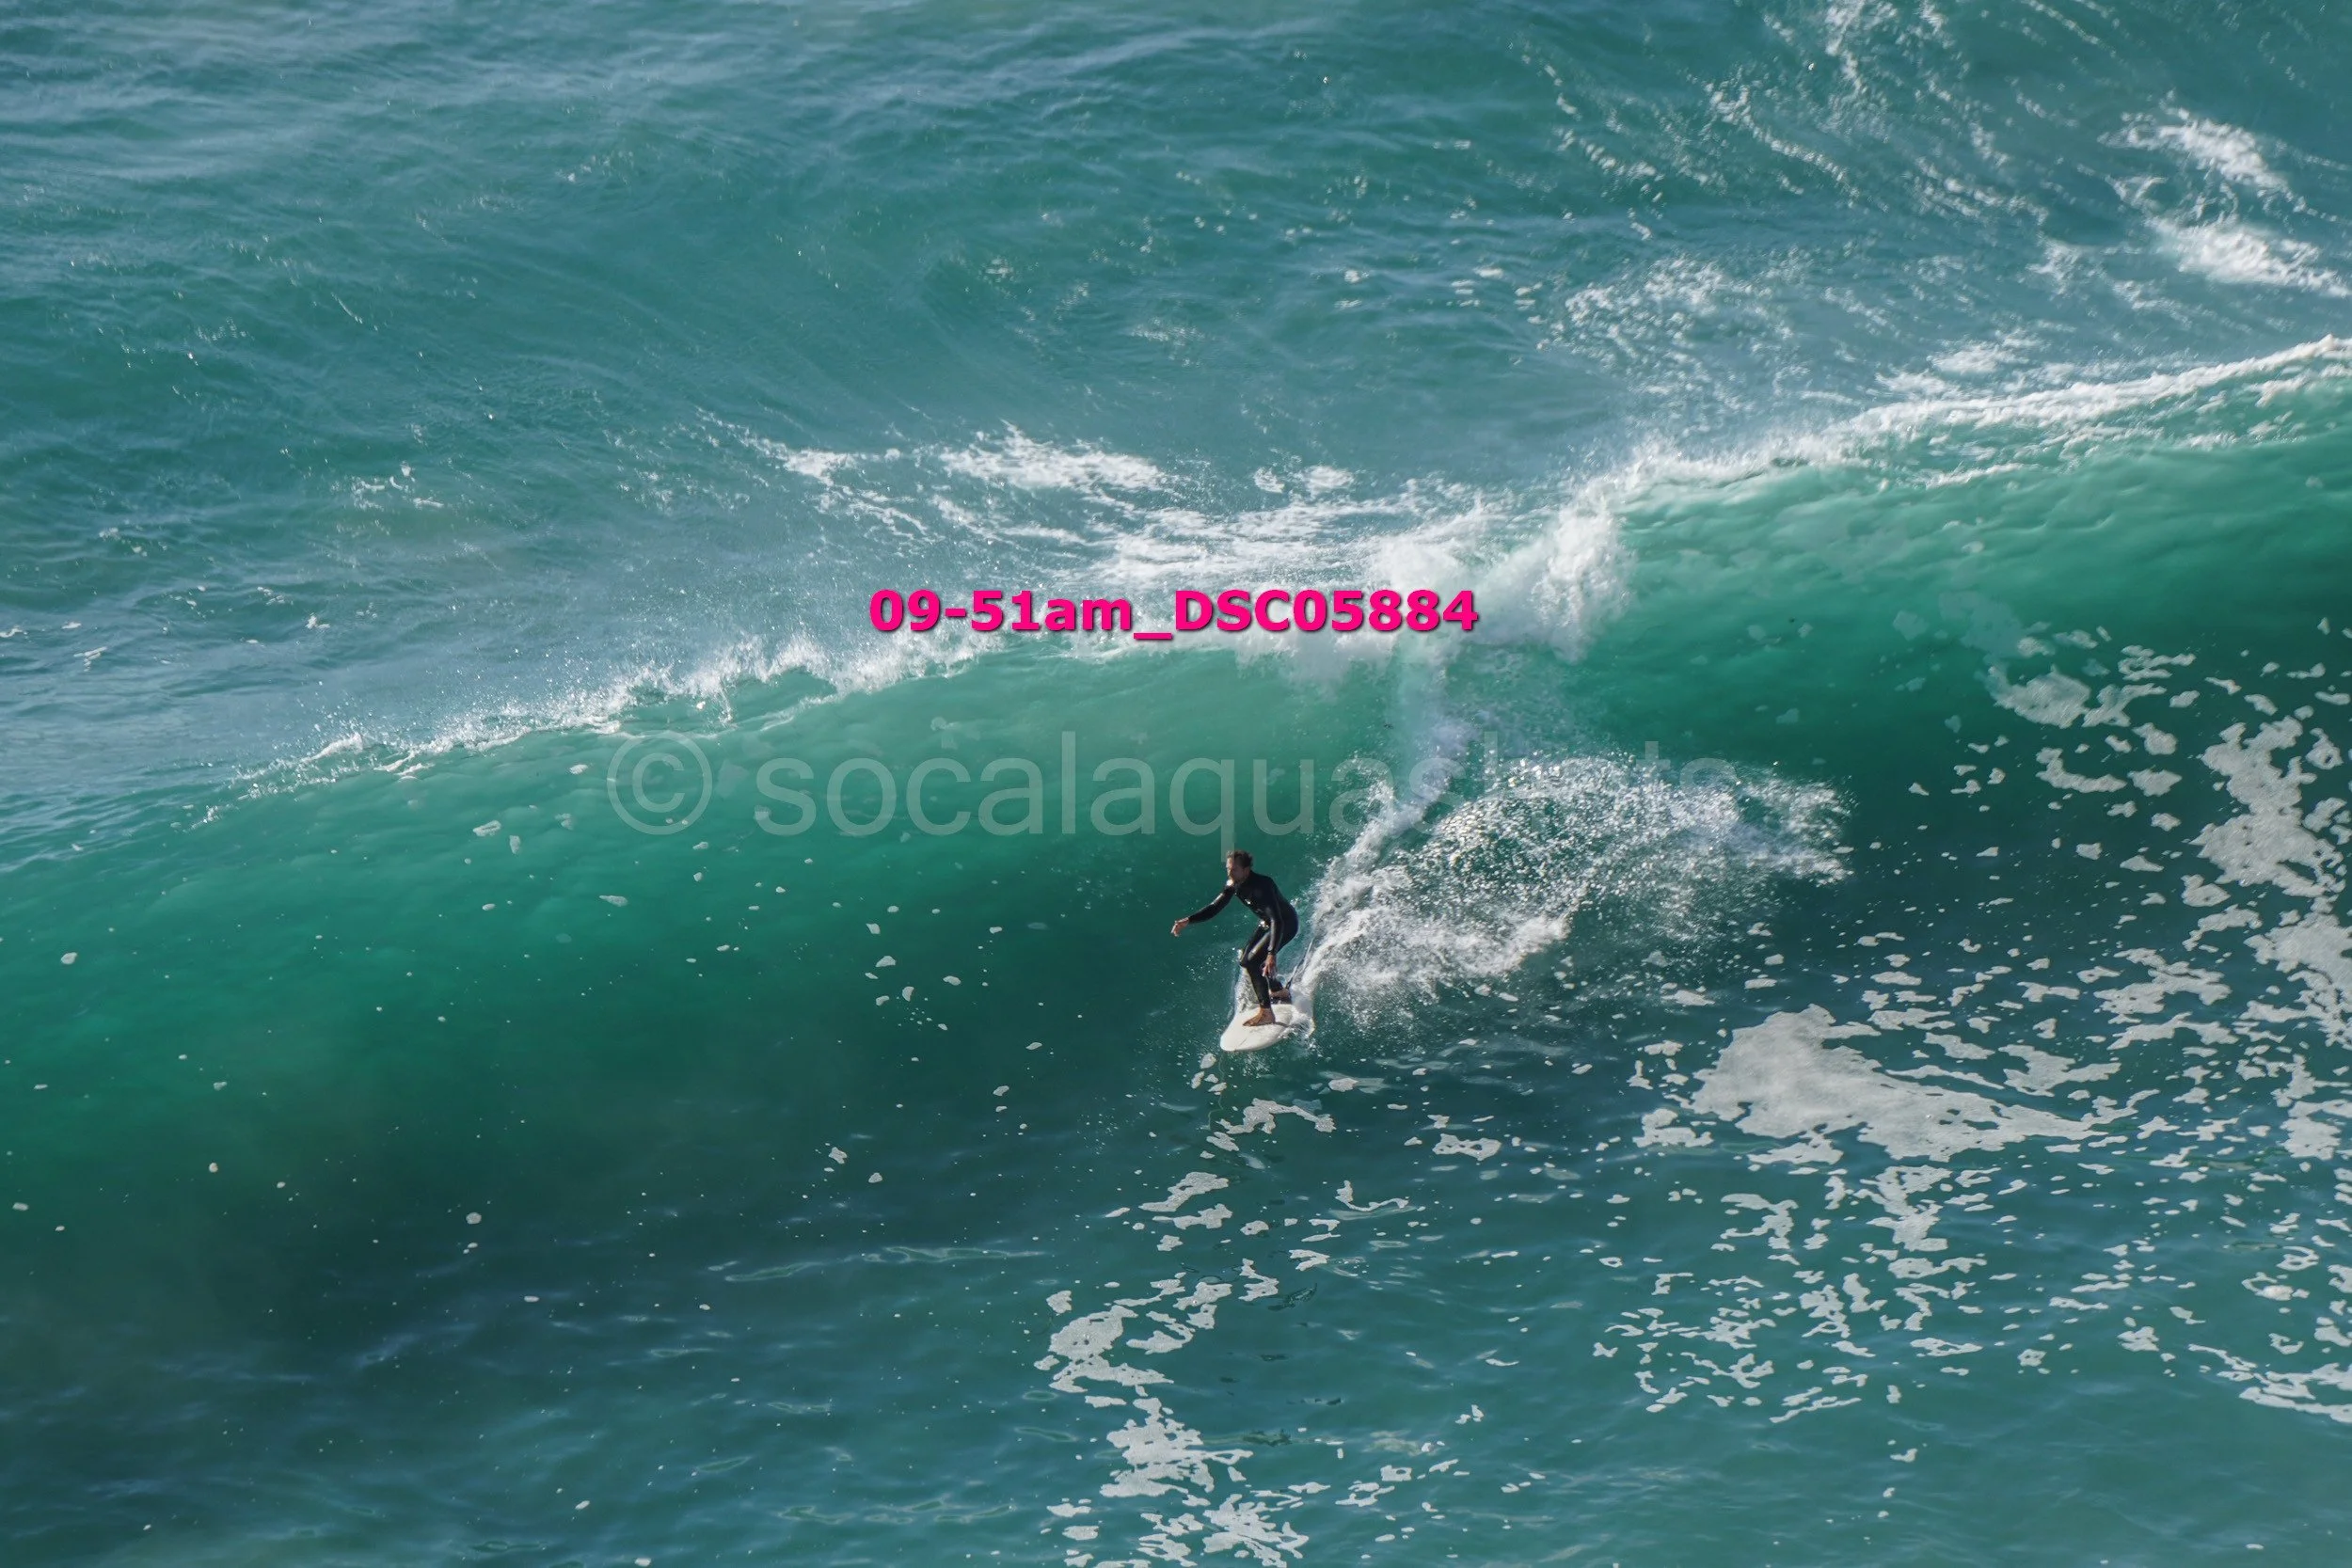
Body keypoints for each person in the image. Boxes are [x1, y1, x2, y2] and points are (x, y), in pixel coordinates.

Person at [1171, 848, 1297, 1027]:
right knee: (1246, 960)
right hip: (1267, 924)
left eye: (1234, 869)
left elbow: (1277, 919)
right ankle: (1277, 991)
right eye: (1228, 869)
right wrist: (1189, 920)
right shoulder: (1233, 884)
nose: (1230, 873)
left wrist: (1271, 953)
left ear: (1246, 870)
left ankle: (1267, 1013)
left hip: (1285, 924)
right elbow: (1215, 907)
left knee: (1254, 961)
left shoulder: (1262, 886)